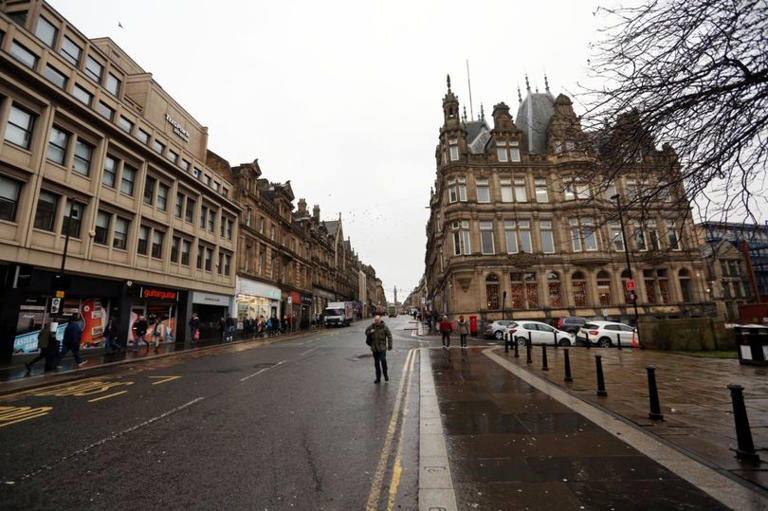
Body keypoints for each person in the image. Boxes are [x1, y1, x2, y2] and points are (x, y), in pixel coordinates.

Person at [365, 315, 393, 384]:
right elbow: (366, 332)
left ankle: (385, 374)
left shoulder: (384, 327)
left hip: (382, 348)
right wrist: (370, 332)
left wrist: (390, 345)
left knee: (383, 361)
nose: (376, 321)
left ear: (380, 320)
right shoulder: (372, 326)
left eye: (377, 320)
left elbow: (389, 336)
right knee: (376, 364)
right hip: (374, 349)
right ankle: (378, 378)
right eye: (375, 320)